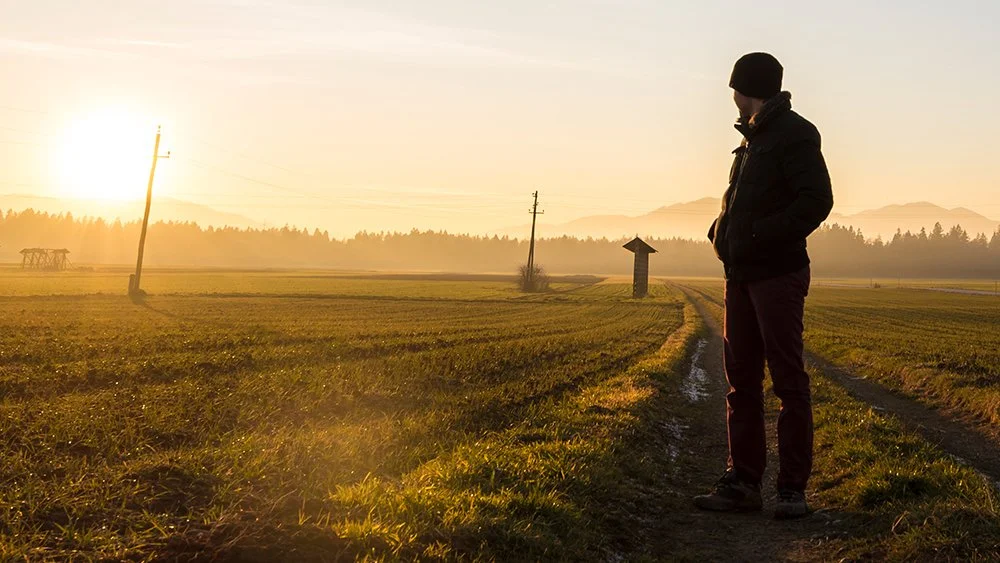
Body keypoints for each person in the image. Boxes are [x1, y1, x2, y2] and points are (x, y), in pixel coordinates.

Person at [694, 52, 833, 520]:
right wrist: (722, 229)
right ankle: (742, 484)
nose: (731, 99)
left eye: (734, 89)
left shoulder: (795, 133)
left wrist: (755, 235)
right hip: (741, 276)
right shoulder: (751, 142)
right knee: (742, 382)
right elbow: (745, 202)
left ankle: (792, 491)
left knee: (788, 382)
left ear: (747, 88)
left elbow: (816, 200)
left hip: (778, 274)